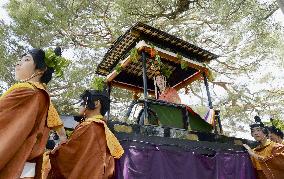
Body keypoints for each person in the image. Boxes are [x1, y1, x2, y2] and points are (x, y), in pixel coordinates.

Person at [0, 48, 67, 178]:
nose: (18, 63)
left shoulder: (27, 92)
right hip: (25, 167)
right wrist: (62, 138)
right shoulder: (41, 94)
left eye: (26, 59)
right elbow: (61, 131)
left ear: (41, 70)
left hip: (13, 162)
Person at [47, 88, 124, 179]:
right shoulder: (102, 128)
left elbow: (68, 155)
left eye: (83, 103)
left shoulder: (90, 126)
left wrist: (51, 153)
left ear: (96, 103)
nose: (80, 106)